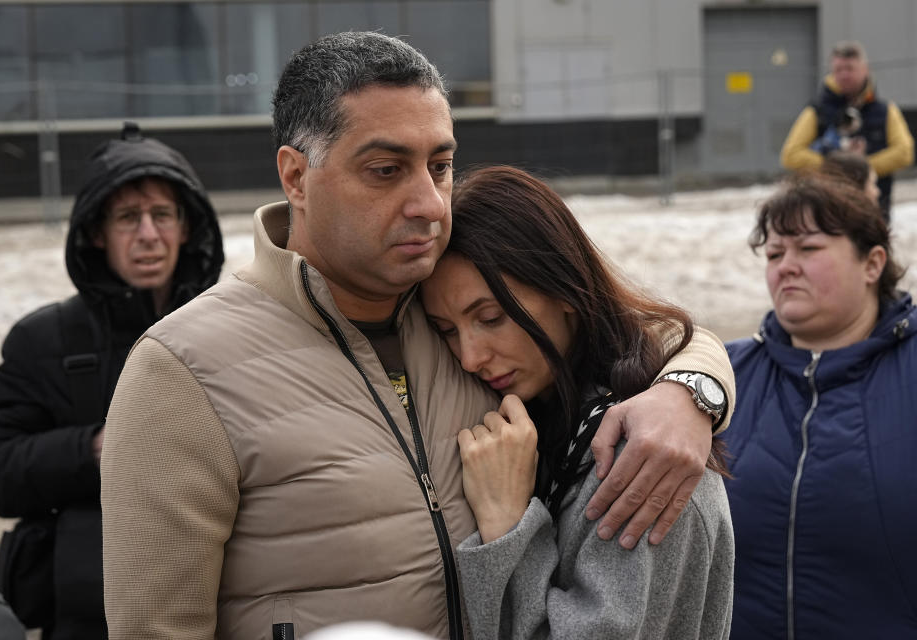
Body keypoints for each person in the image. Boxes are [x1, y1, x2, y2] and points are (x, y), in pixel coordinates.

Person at [100, 31, 736, 640]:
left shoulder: (447, 304)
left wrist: (690, 391)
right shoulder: (182, 368)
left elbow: (625, 325)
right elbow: (155, 628)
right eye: (385, 170)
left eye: (441, 166)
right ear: (296, 177)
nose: (430, 203)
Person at [419, 166, 734, 639]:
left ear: (563, 289)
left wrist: (507, 529)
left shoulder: (642, 456)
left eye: (490, 317)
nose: (469, 356)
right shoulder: (546, 413)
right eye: (446, 330)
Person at [0, 122, 224, 639]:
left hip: (210, 600)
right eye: (128, 217)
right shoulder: (45, 340)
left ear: (187, 227)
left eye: (162, 215)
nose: (148, 233)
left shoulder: (228, 326)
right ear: (97, 233)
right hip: (84, 614)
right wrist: (95, 449)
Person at [723, 173, 916, 638]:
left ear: (872, 263)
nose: (785, 266)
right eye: (774, 254)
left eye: (808, 249)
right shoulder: (723, 375)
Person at [779, 40, 914, 219]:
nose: (844, 75)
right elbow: (791, 155)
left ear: (865, 69)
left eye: (850, 68)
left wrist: (863, 168)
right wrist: (837, 168)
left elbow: (904, 152)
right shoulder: (816, 111)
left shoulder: (886, 111)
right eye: (838, 70)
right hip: (828, 212)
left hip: (874, 211)